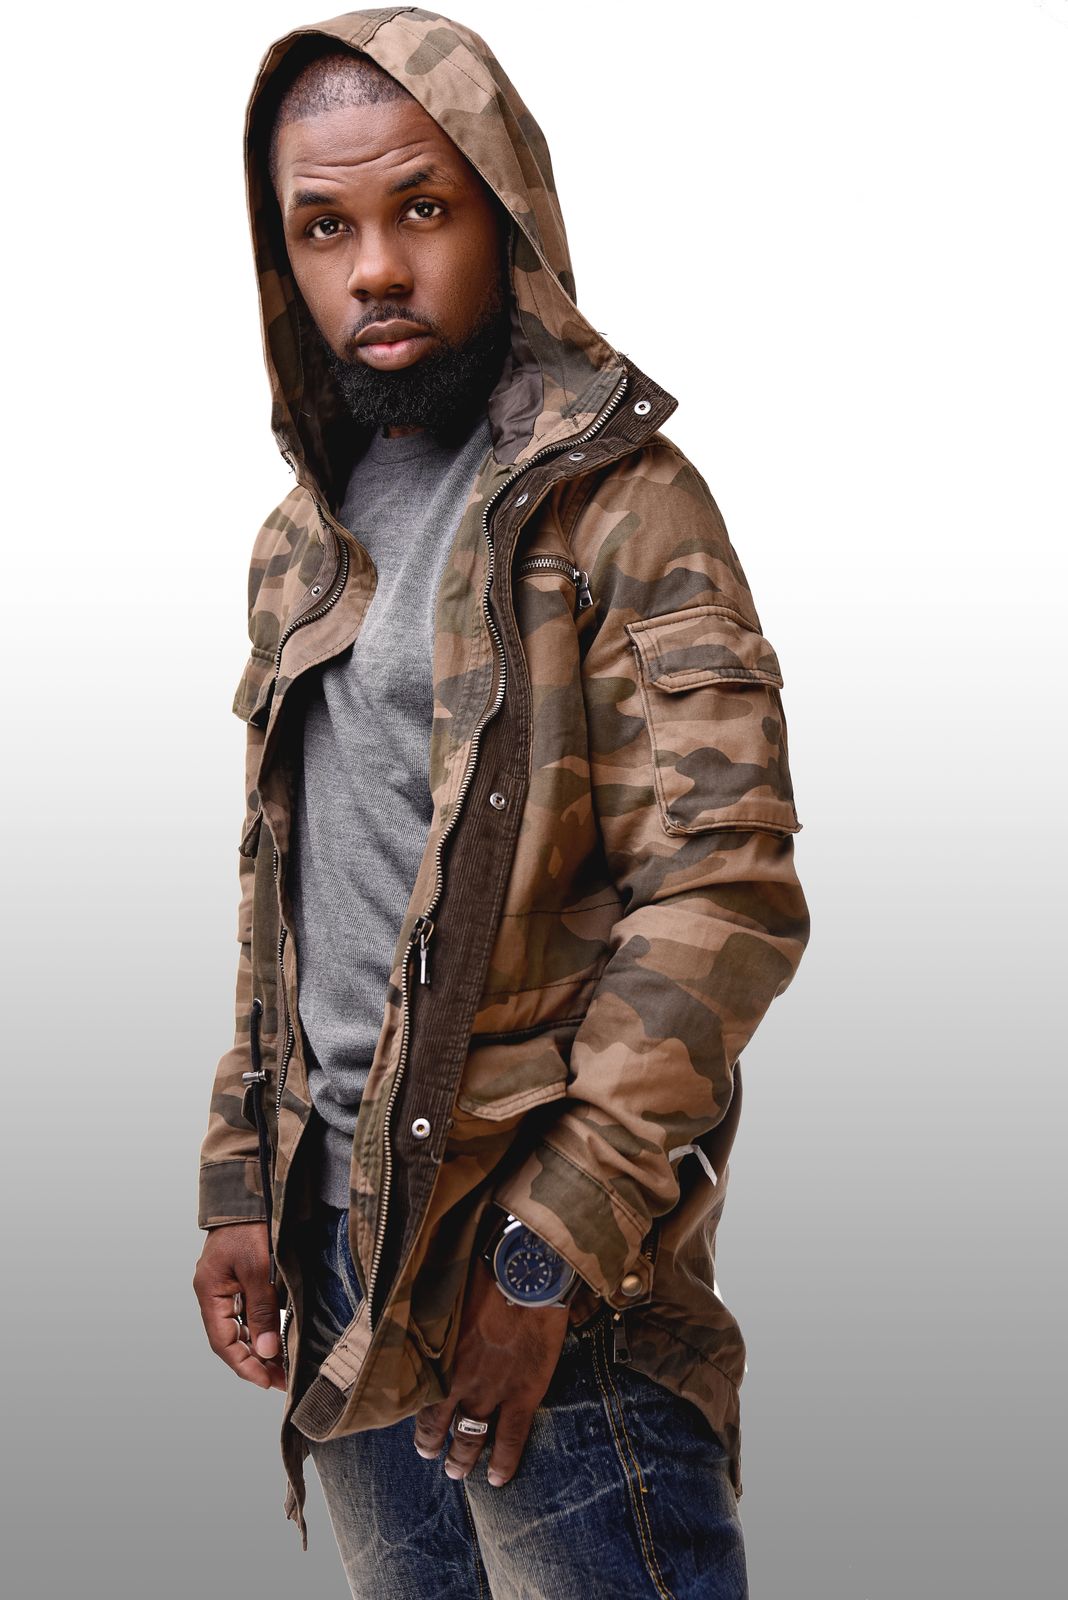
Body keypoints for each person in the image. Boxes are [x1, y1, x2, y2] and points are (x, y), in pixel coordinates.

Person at [192, 10, 810, 1598]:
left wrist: (548, 1251)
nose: (375, 270)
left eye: (422, 208)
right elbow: (285, 894)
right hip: (338, 1255)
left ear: (506, 212)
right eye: (324, 227)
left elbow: (724, 895)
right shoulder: (302, 538)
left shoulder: (624, 513)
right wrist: (243, 1182)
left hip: (540, 1273)